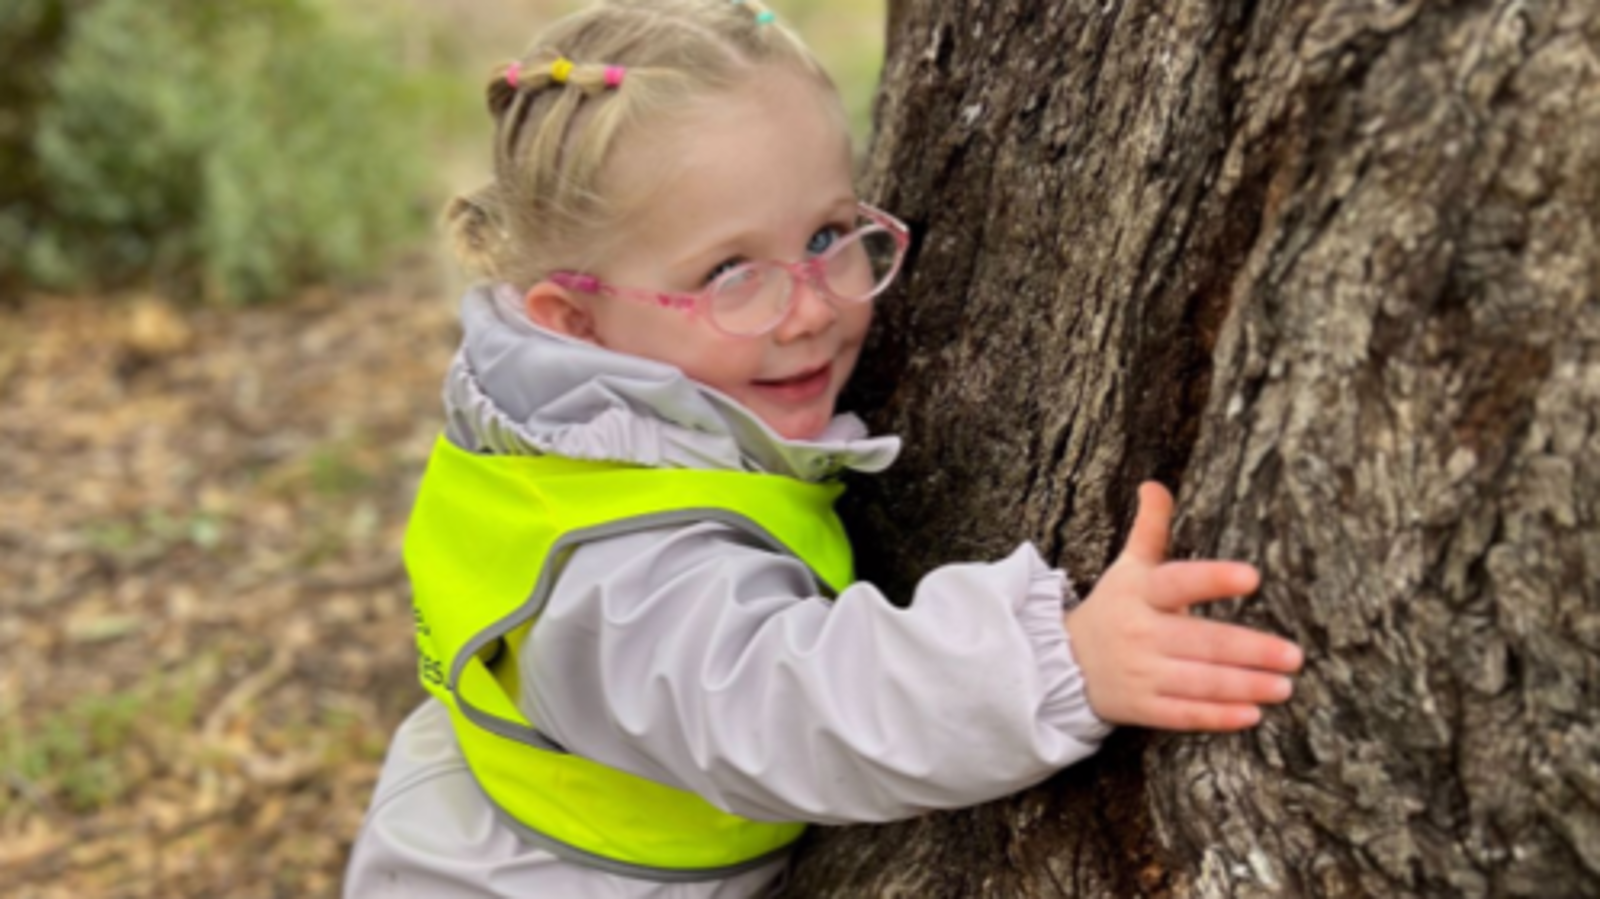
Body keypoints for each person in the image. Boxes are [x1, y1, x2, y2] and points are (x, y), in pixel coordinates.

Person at [344, 1, 1305, 895]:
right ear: (578, 321)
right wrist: (1057, 661)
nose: (812, 307)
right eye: (731, 272)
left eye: (829, 234)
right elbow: (783, 705)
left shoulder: (579, 410)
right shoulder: (616, 569)